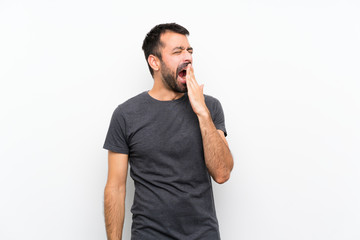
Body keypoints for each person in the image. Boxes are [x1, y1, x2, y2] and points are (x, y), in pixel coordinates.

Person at [103, 23, 233, 240]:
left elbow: (222, 173)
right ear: (154, 61)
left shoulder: (210, 107)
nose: (188, 57)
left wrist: (202, 113)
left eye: (189, 51)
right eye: (177, 51)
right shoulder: (126, 115)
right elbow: (115, 188)